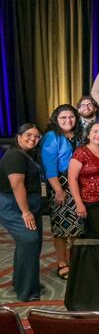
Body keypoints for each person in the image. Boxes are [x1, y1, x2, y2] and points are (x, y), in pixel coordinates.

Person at [0, 124, 44, 301]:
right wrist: (25, 212)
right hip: (14, 205)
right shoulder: (14, 156)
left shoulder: (28, 153)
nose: (32, 139)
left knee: (32, 243)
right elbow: (16, 185)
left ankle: (24, 282)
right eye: (28, 135)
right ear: (18, 136)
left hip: (31, 204)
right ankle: (27, 291)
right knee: (29, 240)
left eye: (36, 136)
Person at [41, 105, 81, 279]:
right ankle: (62, 262)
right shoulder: (52, 136)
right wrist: (58, 190)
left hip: (78, 183)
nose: (68, 121)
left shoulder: (79, 134)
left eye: (71, 117)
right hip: (61, 184)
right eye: (63, 118)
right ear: (56, 119)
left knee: (77, 226)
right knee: (61, 228)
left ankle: (74, 262)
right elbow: (49, 167)